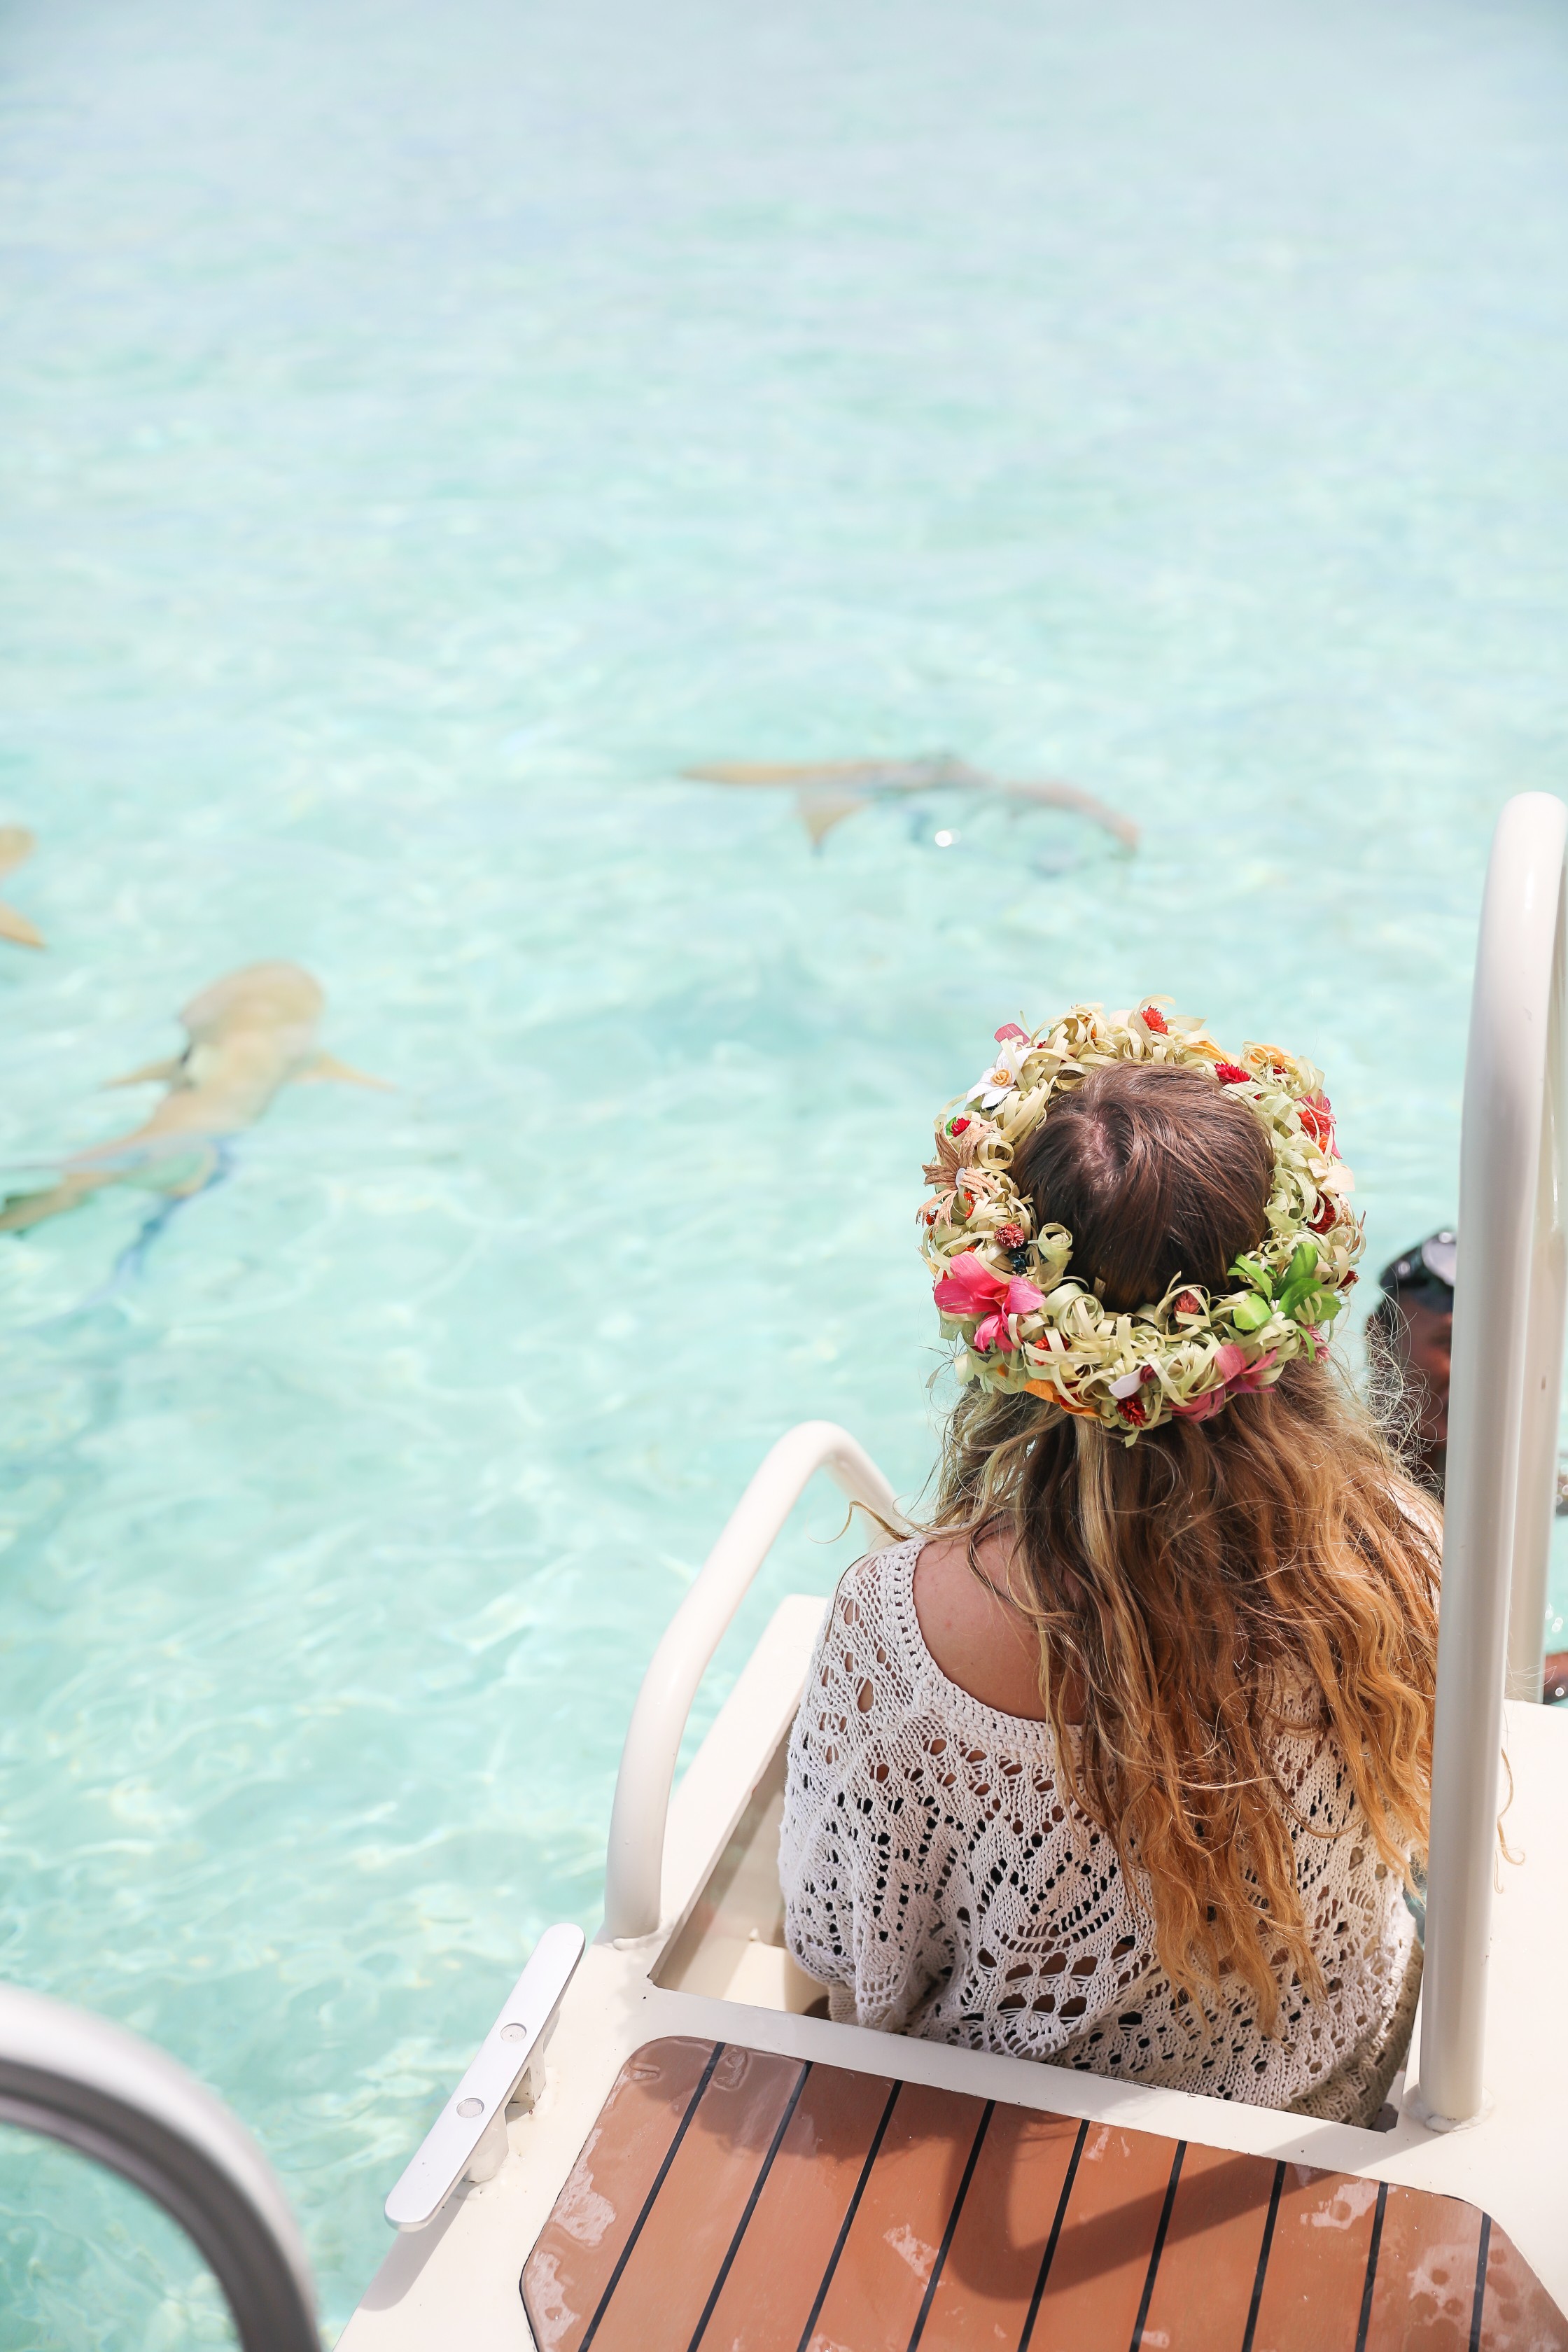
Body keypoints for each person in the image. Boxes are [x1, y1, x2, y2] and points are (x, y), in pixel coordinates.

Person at [780, 1004, 1438, 2125]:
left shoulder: (903, 1630)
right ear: (1293, 1301)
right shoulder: (1397, 1553)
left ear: (1016, 1326)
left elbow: (843, 1950)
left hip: (1000, 2127)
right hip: (1325, 2094)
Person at [1368, 1228, 1568, 1702]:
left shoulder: (1535, 1482)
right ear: (1380, 1338)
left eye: (1497, 1350)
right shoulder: (1338, 1488)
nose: (1480, 1371)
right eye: (1454, 1343)